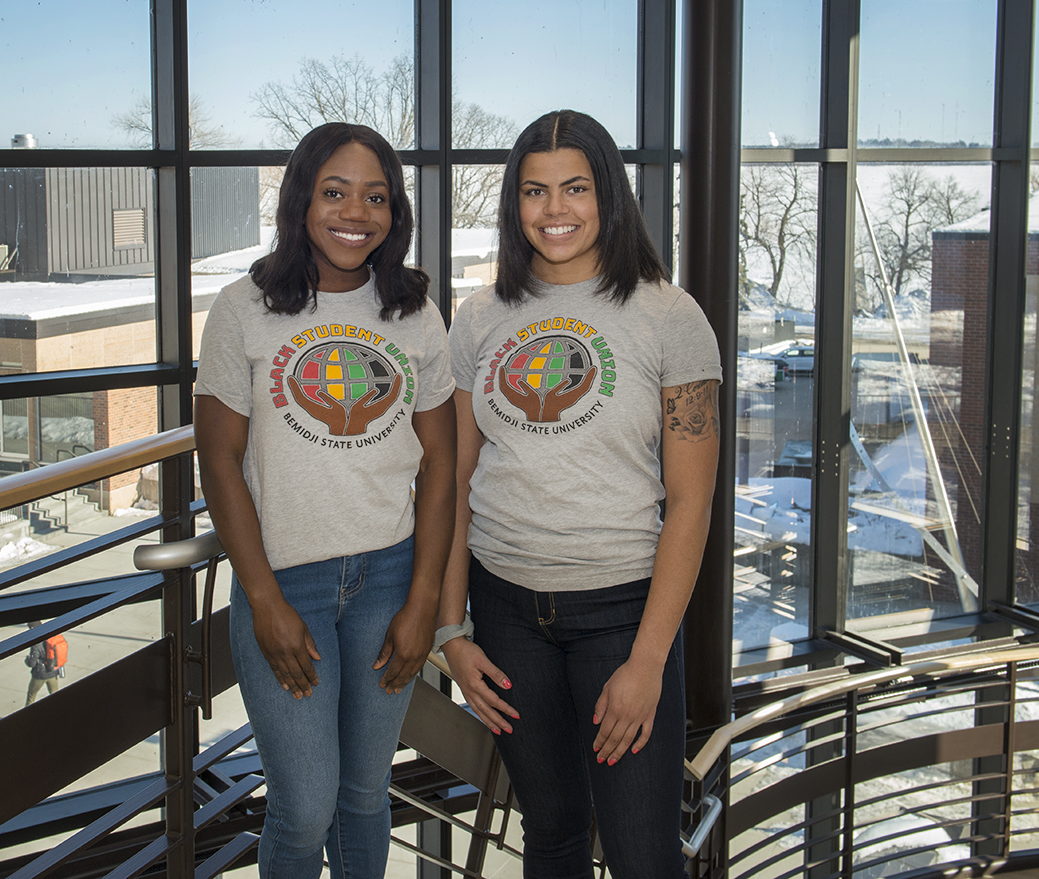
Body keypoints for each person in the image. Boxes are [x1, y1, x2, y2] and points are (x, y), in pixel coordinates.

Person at [435, 110, 721, 878]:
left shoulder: (669, 315)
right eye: (534, 191)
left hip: (621, 617)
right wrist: (451, 632)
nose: (554, 210)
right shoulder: (482, 318)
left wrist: (649, 659)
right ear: (512, 204)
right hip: (505, 615)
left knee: (641, 856)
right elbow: (455, 482)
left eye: (574, 188)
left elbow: (692, 503)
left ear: (610, 197)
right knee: (552, 835)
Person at [195, 122, 456, 879]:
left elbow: (440, 459)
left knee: (366, 796)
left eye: (376, 196)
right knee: (305, 806)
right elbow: (219, 457)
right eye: (335, 191)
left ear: (394, 212)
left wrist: (424, 603)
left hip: (388, 578)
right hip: (286, 584)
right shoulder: (244, 307)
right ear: (302, 199)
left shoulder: (413, 311)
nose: (356, 211)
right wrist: (263, 596)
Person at [24, 621, 67, 705]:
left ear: (32, 628)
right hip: (53, 671)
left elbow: (31, 663)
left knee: (31, 695)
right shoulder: (51, 636)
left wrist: (27, 660)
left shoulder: (36, 643)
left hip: (40, 674)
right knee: (54, 693)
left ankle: (27, 716)